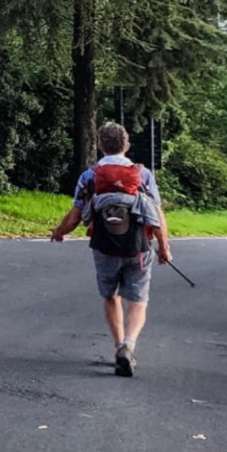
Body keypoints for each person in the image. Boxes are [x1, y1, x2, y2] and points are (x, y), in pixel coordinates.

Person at [49, 121, 172, 376]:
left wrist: (59, 232)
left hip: (104, 247)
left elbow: (75, 216)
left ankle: (118, 346)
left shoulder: (90, 176)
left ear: (100, 145)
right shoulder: (142, 175)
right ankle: (129, 344)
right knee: (138, 300)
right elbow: (156, 215)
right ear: (127, 145)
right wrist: (164, 247)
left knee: (110, 296)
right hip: (138, 248)